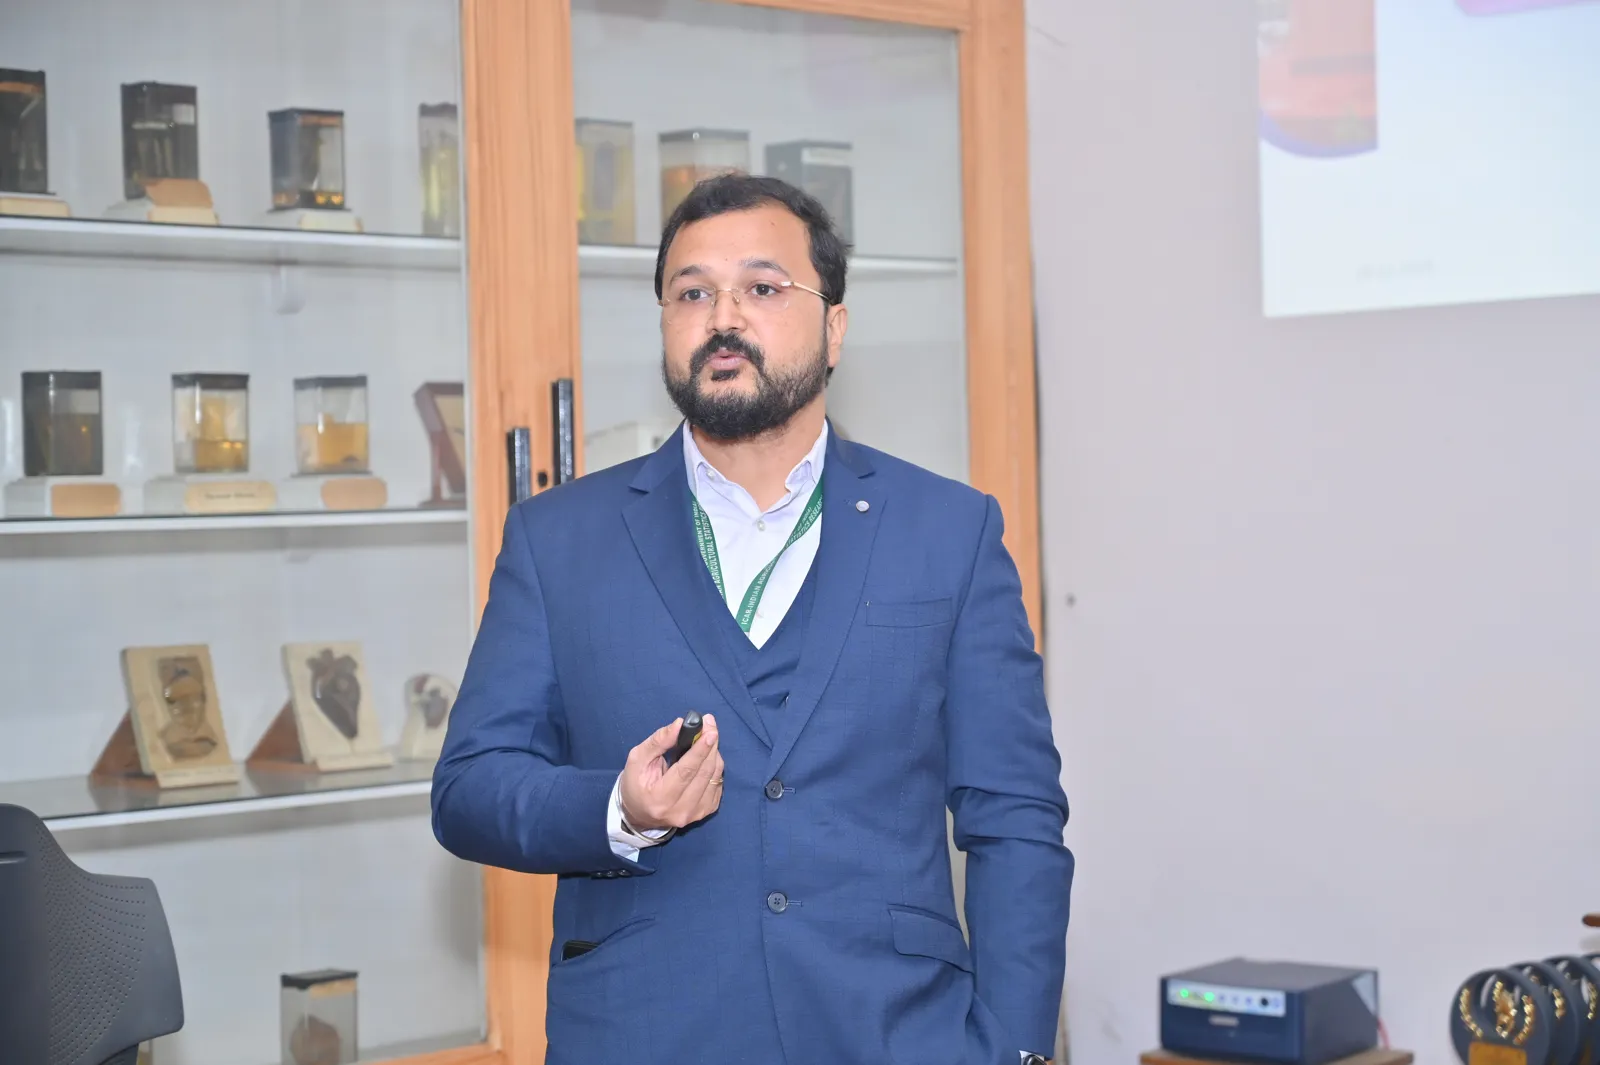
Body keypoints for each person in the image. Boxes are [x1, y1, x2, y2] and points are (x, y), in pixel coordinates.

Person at [432, 173, 1073, 1065]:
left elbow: (1016, 818)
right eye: (692, 293)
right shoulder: (559, 539)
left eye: (763, 288)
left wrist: (1015, 1053)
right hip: (646, 1036)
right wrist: (619, 807)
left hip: (895, 1034)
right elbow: (468, 788)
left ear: (835, 327)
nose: (722, 317)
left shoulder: (948, 532)